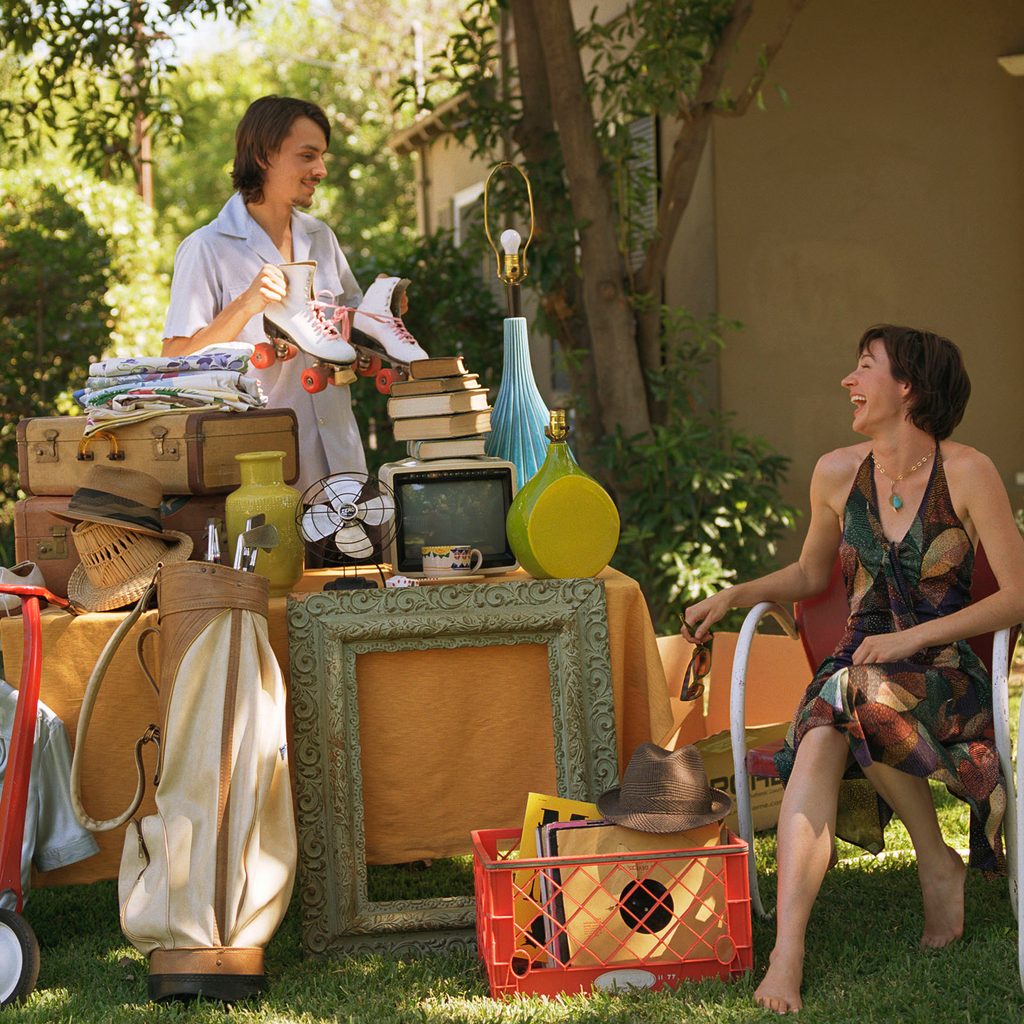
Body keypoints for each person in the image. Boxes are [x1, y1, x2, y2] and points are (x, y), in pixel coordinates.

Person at [681, 325, 1024, 1014]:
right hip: (858, 664)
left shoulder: (967, 471)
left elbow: (1016, 593)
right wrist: (735, 594)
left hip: (944, 673)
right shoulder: (837, 473)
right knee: (826, 720)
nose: (848, 380)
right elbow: (812, 573)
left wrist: (912, 639)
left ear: (908, 389)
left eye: (865, 367)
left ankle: (934, 861)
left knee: (844, 696)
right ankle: (789, 951)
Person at [162, 95, 365, 494]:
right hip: (260, 471)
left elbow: (350, 328)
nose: (320, 170)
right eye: (307, 156)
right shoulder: (206, 247)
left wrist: (379, 314)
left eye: (322, 156)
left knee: (355, 558)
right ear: (262, 155)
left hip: (342, 461)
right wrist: (246, 305)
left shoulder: (322, 238)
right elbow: (174, 361)